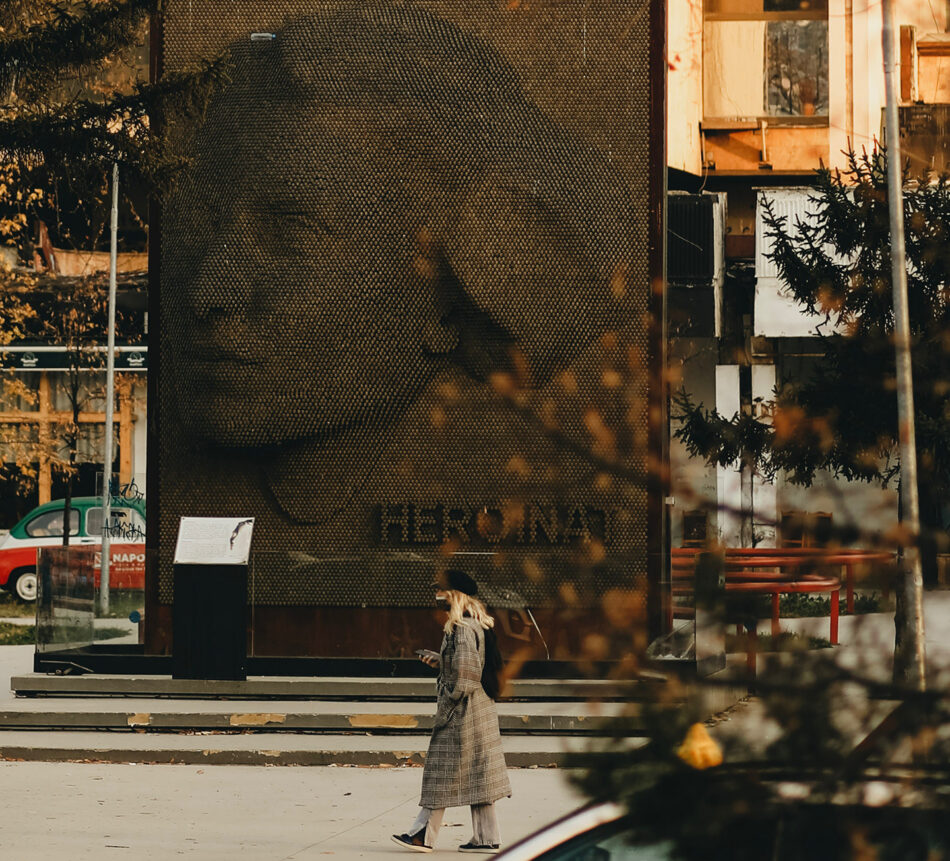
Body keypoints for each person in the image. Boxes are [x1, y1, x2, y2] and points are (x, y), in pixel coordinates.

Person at [392, 569, 511, 854]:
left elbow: (466, 677)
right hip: (480, 711)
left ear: (455, 595)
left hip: (462, 713)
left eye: (442, 591)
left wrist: (446, 702)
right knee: (478, 774)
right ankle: (486, 837)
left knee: (439, 774)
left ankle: (422, 835)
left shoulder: (461, 628)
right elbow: (471, 666)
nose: (437, 595)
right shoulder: (476, 624)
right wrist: (441, 660)